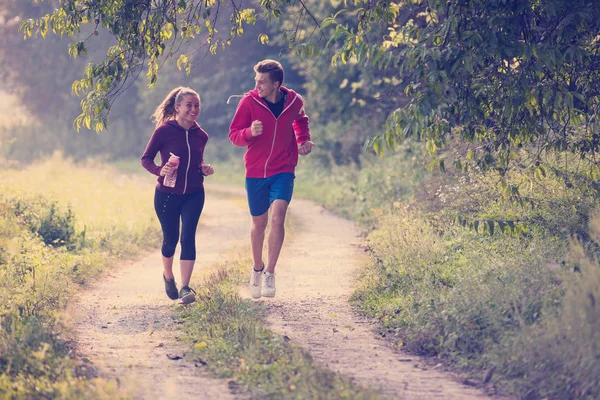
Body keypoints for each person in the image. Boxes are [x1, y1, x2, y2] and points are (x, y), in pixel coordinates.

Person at [229, 59, 315, 299]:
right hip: (255, 171)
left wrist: (303, 140)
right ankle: (257, 268)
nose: (258, 86)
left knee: (278, 218)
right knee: (259, 224)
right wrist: (249, 133)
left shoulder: (294, 102)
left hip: (283, 168)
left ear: (276, 84)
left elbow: (300, 119)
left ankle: (270, 273)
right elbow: (234, 135)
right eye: (256, 81)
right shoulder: (248, 102)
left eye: (262, 82)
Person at [141, 86, 214, 305]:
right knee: (171, 239)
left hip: (194, 193)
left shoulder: (201, 135)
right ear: (177, 107)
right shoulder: (164, 131)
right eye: (189, 105)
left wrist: (203, 169)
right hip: (166, 194)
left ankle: (185, 287)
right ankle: (168, 275)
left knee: (188, 237)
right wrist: (159, 170)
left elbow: (197, 162)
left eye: (197, 105)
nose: (193, 109)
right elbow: (146, 159)